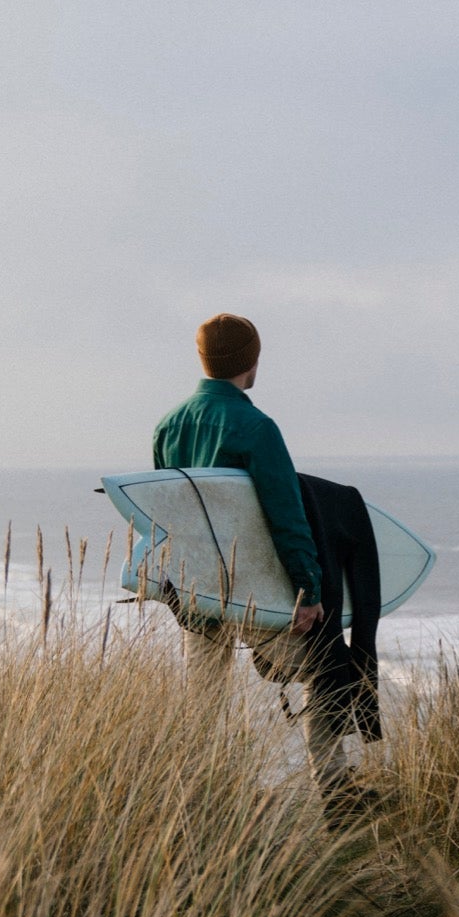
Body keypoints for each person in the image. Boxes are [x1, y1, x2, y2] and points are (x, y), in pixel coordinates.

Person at [153, 312, 353, 794]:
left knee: (202, 697)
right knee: (326, 671)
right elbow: (287, 516)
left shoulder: (169, 427)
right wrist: (307, 589)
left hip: (196, 590)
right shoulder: (257, 428)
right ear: (251, 361)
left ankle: (197, 791)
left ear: (203, 359)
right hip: (254, 590)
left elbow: (169, 515)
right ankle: (334, 788)